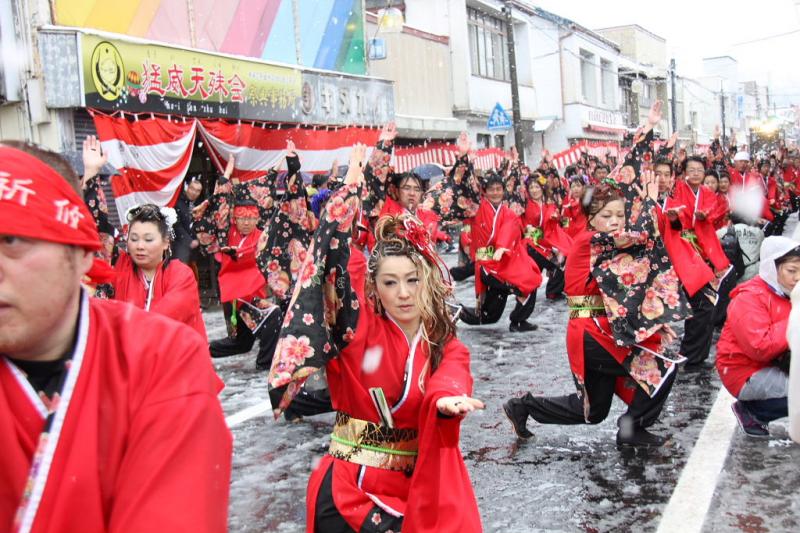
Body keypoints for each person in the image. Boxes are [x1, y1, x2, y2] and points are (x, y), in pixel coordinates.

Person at [0, 143, 231, 533]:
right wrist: (90, 176)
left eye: (12, 241)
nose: (139, 246)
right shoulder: (122, 271)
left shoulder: (163, 348)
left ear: (79, 255)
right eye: (134, 239)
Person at [268, 144, 483, 532]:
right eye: (390, 282)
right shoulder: (359, 328)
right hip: (350, 491)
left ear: (428, 281)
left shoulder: (440, 338)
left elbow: (453, 369)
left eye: (412, 280)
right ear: (373, 288)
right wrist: (351, 188)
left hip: (407, 487)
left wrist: (445, 398)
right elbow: (336, 256)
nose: (403, 292)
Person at [503, 175, 689, 447]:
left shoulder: (605, 245)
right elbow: (641, 238)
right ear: (591, 218)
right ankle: (632, 431)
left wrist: (655, 322)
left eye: (619, 215)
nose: (615, 220)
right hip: (589, 331)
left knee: (592, 411)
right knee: (663, 365)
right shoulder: (591, 240)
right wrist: (650, 201)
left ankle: (524, 407)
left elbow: (628, 289)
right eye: (606, 215)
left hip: (599, 329)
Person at [716, 236, 797, 437]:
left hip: (773, 363)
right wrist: (794, 319)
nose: (797, 277)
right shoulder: (749, 298)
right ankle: (753, 412)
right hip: (744, 371)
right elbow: (760, 347)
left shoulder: (787, 292)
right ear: (772, 267)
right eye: (791, 271)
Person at [458, 170, 543, 332]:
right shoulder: (478, 208)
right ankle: (517, 321)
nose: (495, 192)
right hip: (488, 266)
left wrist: (503, 246)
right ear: (485, 191)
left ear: (504, 191)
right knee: (525, 284)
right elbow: (465, 191)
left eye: (499, 189)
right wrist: (463, 161)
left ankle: (458, 311)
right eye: (491, 189)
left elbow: (509, 228)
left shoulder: (508, 212)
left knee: (491, 315)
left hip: (503, 262)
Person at [113, 203, 207, 338]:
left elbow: (167, 316)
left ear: (165, 242)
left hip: (172, 355)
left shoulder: (181, 274)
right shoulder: (121, 267)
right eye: (133, 239)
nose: (140, 246)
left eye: (148, 239)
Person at [172, 177, 203, 264]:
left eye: (198, 190)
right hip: (180, 246)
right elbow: (176, 225)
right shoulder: (178, 203)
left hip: (197, 247)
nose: (194, 192)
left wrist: (200, 239)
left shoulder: (200, 205)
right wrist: (189, 241)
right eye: (192, 189)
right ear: (187, 188)